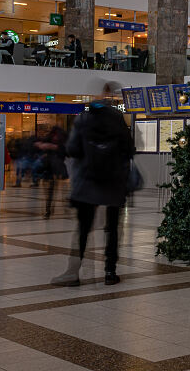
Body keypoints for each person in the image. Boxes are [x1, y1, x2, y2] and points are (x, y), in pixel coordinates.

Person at [51, 95, 134, 287]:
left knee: (83, 229)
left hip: (88, 183)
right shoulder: (118, 120)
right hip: (114, 183)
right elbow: (129, 149)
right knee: (112, 229)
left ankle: (73, 273)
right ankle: (110, 272)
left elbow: (73, 149)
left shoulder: (83, 119)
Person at [32, 124, 67, 218]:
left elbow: (66, 152)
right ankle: (48, 209)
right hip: (49, 169)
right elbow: (36, 145)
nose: (55, 137)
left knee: (55, 190)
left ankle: (53, 207)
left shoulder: (62, 143)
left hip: (57, 169)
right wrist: (42, 146)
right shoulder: (49, 140)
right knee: (50, 191)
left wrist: (54, 148)